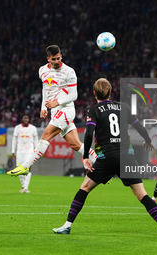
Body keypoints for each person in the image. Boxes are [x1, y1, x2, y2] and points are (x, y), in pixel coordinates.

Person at [52, 78, 157, 238]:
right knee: (142, 195)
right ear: (110, 92)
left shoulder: (94, 110)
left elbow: (89, 134)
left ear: (94, 93)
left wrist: (86, 156)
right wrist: (148, 140)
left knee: (85, 188)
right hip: (127, 157)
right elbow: (139, 126)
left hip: (106, 157)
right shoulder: (123, 107)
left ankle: (67, 226)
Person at [7, 45, 97, 176]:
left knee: (45, 136)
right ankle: (101, 165)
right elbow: (46, 89)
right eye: (53, 59)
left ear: (61, 56)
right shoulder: (42, 70)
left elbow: (74, 95)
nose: (56, 61)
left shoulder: (69, 72)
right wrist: (43, 107)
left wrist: (57, 102)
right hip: (55, 111)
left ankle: (26, 166)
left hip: (66, 109)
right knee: (76, 145)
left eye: (58, 58)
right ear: (48, 59)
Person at [11, 114, 39, 193]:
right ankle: (23, 185)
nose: (26, 119)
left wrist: (36, 151)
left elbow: (36, 140)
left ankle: (26, 188)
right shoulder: (17, 128)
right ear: (22, 119)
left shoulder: (33, 128)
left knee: (28, 168)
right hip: (20, 151)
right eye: (24, 118)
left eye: (27, 118)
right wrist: (13, 151)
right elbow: (14, 140)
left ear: (29, 120)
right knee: (19, 169)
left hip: (29, 151)